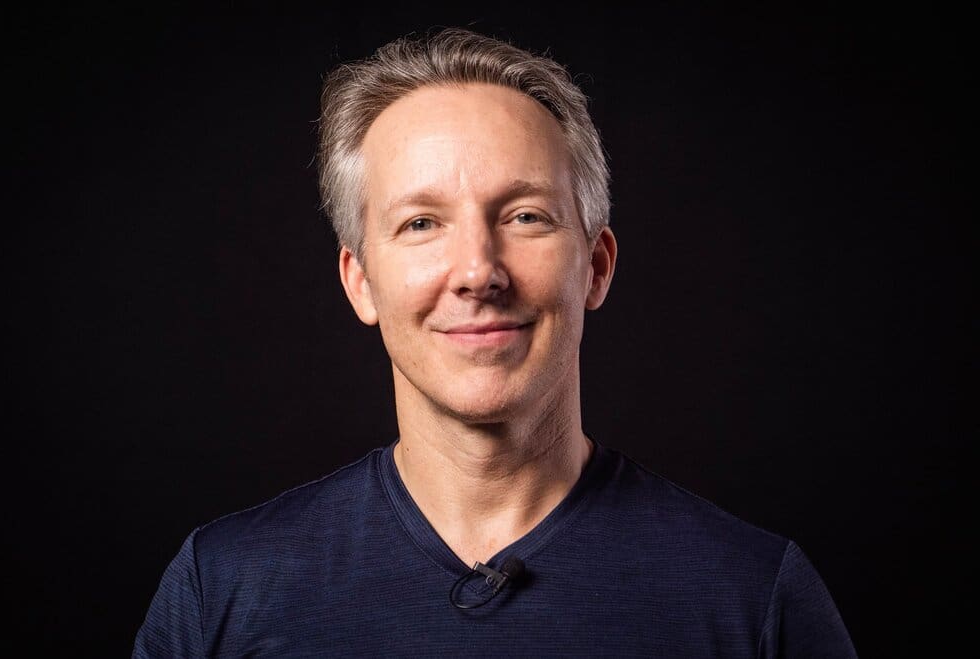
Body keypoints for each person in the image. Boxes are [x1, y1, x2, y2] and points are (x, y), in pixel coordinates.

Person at [134, 28, 857, 657]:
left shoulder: (756, 598)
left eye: (526, 215)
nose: (479, 271)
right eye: (421, 222)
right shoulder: (220, 590)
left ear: (596, 265)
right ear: (361, 282)